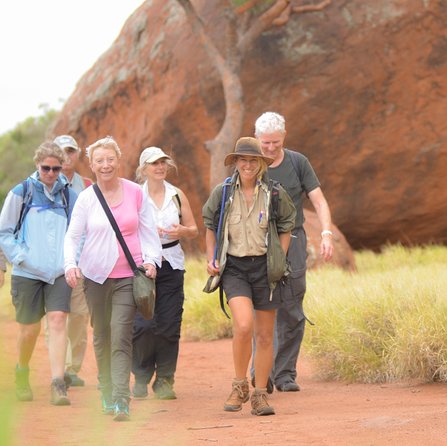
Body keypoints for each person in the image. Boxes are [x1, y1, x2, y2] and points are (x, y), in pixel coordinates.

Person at [64, 136, 161, 421]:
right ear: (92, 166)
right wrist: (70, 264)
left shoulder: (135, 193)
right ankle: (105, 391)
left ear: (118, 161)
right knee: (102, 336)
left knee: (120, 334)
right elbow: (73, 237)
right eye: (99, 161)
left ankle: (121, 398)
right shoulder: (86, 198)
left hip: (128, 276)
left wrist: (152, 260)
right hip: (94, 277)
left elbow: (148, 232)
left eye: (110, 159)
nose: (105, 165)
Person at [202, 137, 295, 416]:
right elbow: (209, 225)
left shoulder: (274, 193)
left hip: (265, 269)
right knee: (243, 326)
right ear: (236, 162)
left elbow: (287, 226)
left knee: (265, 335)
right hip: (235, 268)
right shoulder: (224, 192)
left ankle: (259, 394)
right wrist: (212, 257)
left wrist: (280, 259)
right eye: (243, 159)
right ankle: (239, 383)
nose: (248, 165)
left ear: (261, 164)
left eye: (253, 160)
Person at [254, 111, 334, 392]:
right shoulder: (249, 164)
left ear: (284, 137)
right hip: (258, 244)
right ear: (257, 139)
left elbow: (319, 201)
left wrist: (326, 233)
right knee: (262, 306)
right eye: (266, 143)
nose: (271, 148)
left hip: (295, 241)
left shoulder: (298, 162)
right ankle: (260, 372)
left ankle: (285, 373)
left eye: (275, 142)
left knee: (291, 307)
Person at [0, 142, 77, 405]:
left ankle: (58, 383)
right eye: (46, 168)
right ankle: (22, 370)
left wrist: (72, 261)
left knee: (57, 320)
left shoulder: (68, 194)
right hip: (27, 273)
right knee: (29, 330)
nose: (52, 173)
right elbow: (4, 232)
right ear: (37, 165)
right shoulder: (21, 192)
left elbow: (79, 230)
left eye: (57, 168)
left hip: (58, 271)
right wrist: (21, 257)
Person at [131, 146, 199, 400]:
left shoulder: (176, 195)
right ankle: (140, 376)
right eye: (154, 163)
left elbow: (193, 229)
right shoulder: (135, 195)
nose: (160, 167)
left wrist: (182, 231)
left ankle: (165, 380)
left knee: (170, 324)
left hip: (172, 263)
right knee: (144, 324)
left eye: (163, 163)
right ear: (143, 169)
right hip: (144, 265)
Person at [50, 135, 93, 387]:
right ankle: (60, 369)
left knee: (78, 316)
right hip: (52, 265)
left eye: (71, 151)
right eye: (61, 151)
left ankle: (72, 368)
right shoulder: (43, 183)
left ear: (77, 154)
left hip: (81, 262)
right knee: (55, 317)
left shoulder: (87, 185)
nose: (66, 156)